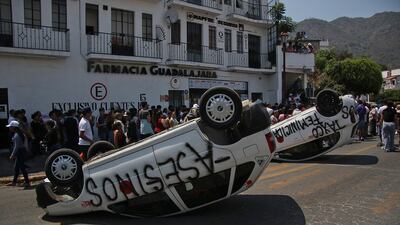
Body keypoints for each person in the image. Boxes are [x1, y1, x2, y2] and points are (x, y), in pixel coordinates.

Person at [7, 121, 30, 187]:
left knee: (22, 168)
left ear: (14, 127)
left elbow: (16, 146)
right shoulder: (19, 133)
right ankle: (14, 182)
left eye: (10, 127)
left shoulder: (17, 135)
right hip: (21, 151)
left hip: (20, 152)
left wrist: (12, 155)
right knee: (16, 168)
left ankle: (27, 182)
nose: (9, 128)